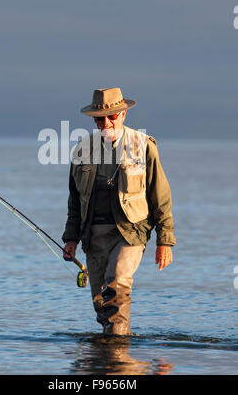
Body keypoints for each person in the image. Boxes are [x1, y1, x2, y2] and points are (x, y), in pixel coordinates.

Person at [62, 87, 176, 335]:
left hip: (130, 233)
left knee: (117, 283)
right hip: (93, 236)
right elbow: (74, 200)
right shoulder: (82, 150)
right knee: (101, 303)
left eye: (112, 116)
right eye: (100, 119)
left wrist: (164, 241)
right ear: (94, 120)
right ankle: (114, 356)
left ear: (123, 114)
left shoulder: (144, 145)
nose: (106, 123)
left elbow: (161, 196)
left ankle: (117, 354)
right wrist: (71, 238)